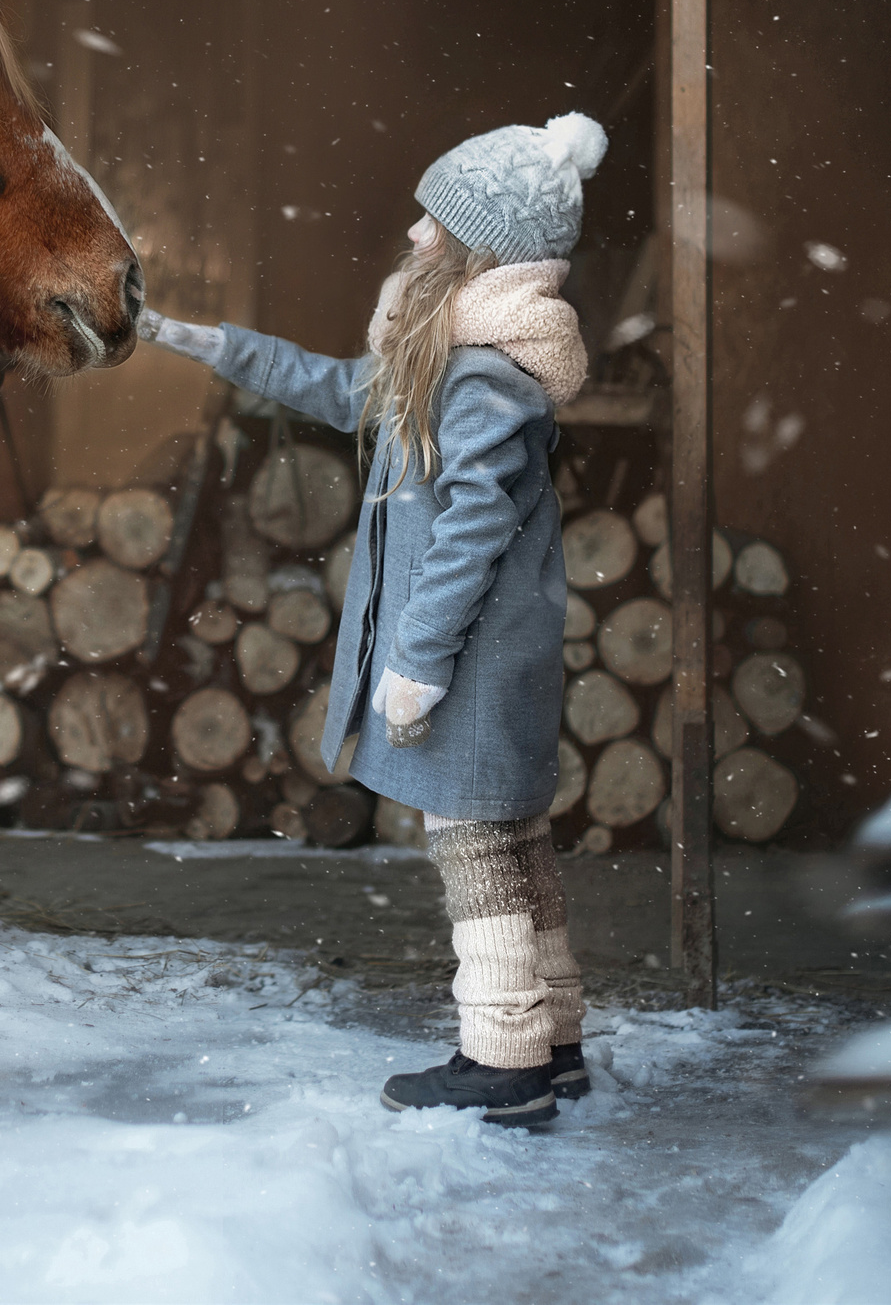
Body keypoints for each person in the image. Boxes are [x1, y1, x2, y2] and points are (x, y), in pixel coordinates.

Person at [141, 112, 606, 1129]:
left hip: (472, 659)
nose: (414, 234)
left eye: (434, 221)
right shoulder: (442, 366)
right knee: (518, 842)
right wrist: (201, 341)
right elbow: (334, 387)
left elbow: (472, 533)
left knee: (475, 851)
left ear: (479, 249)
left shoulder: (481, 379)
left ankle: (504, 1063)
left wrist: (420, 661)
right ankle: (555, 1043)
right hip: (487, 656)